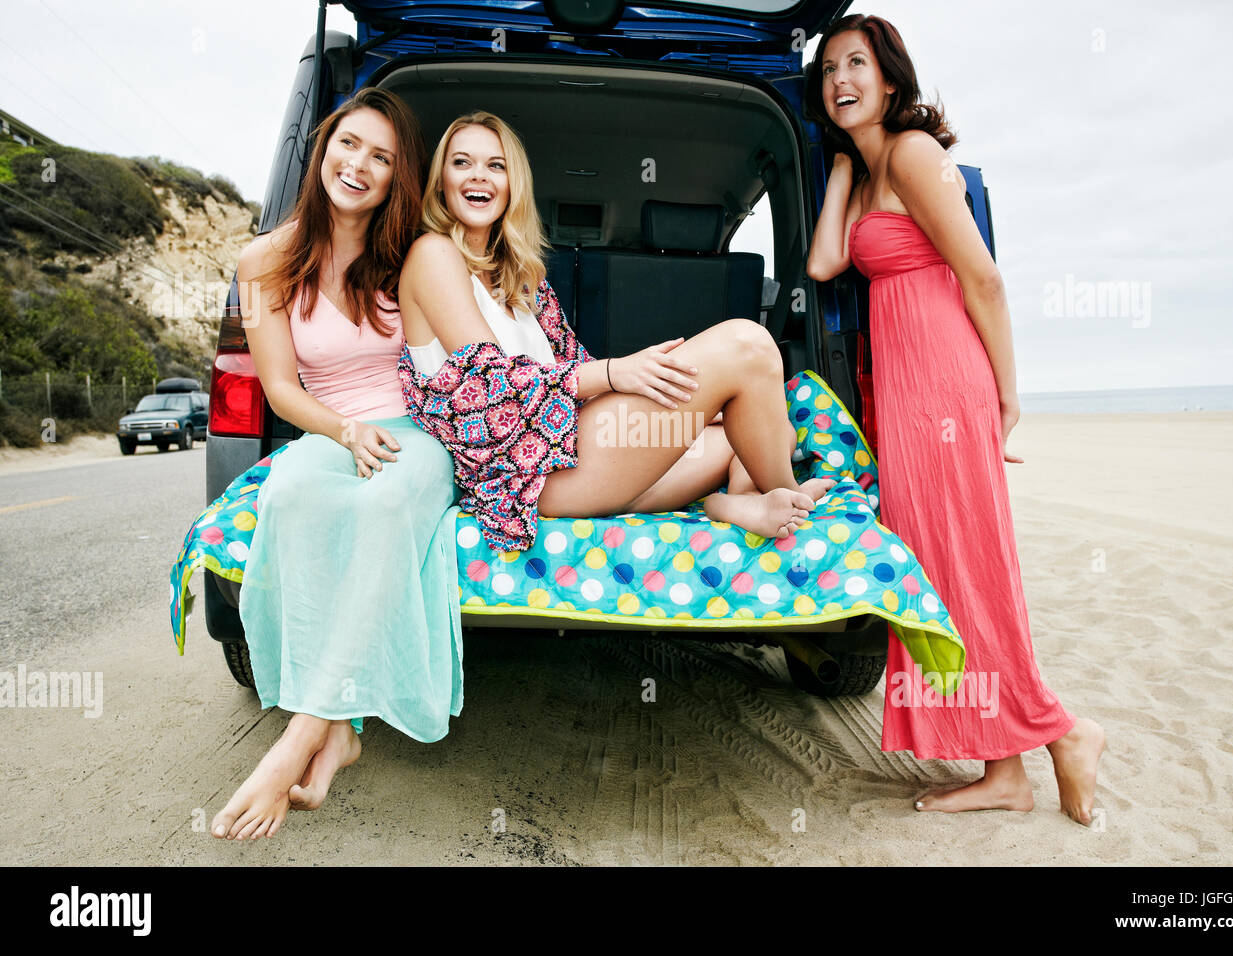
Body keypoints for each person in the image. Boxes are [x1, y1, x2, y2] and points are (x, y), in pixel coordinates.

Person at [803, 14, 1105, 824]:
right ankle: (1005, 771)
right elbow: (825, 262)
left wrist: (1007, 395)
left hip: (946, 384)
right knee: (940, 571)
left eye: (856, 63)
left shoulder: (912, 153)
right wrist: (841, 169)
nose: (840, 79)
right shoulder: (869, 169)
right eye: (828, 68)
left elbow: (984, 279)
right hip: (904, 393)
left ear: (890, 79)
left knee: (970, 567)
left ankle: (1063, 732)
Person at [394, 110, 836, 555]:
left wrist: (703, 403)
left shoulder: (524, 278)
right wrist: (614, 373)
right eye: (462, 162)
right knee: (748, 345)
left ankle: (736, 501)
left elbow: (573, 365)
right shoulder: (433, 254)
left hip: (580, 453)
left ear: (514, 184)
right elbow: (493, 382)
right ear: (441, 181)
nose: (479, 176)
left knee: (762, 428)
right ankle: (787, 494)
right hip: (527, 476)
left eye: (496, 165)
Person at [208, 88, 463, 842]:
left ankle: (300, 738)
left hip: (419, 429)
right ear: (323, 150)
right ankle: (343, 729)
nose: (359, 165)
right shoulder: (264, 259)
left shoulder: (414, 252)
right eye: (348, 144)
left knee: (384, 507)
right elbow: (280, 389)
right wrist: (345, 431)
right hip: (329, 426)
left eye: (381, 157)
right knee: (287, 496)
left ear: (396, 178)